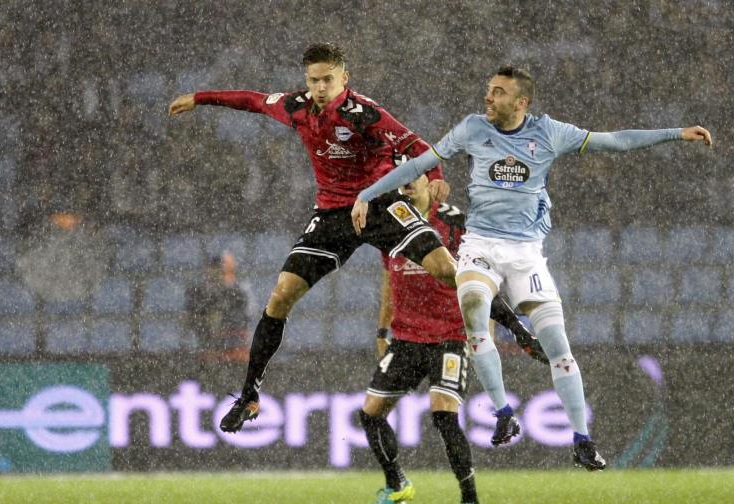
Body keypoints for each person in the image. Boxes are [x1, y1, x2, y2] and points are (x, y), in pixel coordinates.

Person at [352, 65, 713, 471]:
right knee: (472, 302)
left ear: (521, 102)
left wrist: (676, 133)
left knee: (558, 345)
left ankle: (582, 440)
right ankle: (504, 412)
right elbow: (417, 164)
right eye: (489, 90)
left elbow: (616, 142)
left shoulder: (549, 133)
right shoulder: (472, 128)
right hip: (482, 245)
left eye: (498, 92)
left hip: (526, 252)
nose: (488, 98)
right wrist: (367, 192)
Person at [169, 43, 527, 434]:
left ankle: (521, 332)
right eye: (313, 80)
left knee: (445, 270)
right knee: (280, 296)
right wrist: (201, 98)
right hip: (333, 215)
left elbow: (415, 144)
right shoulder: (297, 107)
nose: (320, 87)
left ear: (344, 78)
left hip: (381, 204)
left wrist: (437, 179)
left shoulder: (364, 113)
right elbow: (252, 101)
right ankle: (250, 396)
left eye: (327, 79)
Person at [362, 167, 544, 504]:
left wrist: (484, 332)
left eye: (410, 185)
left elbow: (482, 275)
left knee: (443, 414)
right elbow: (389, 279)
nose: (404, 192)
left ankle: (469, 497)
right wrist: (382, 329)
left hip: (450, 334)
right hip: (406, 337)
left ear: (430, 187)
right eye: (399, 188)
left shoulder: (457, 223)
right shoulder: (391, 222)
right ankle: (397, 483)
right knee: (370, 414)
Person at [186, 251, 255, 363]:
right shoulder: (199, 293)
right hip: (209, 354)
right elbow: (193, 320)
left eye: (220, 271)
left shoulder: (239, 292)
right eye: (213, 269)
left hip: (235, 354)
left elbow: (244, 318)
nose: (215, 274)